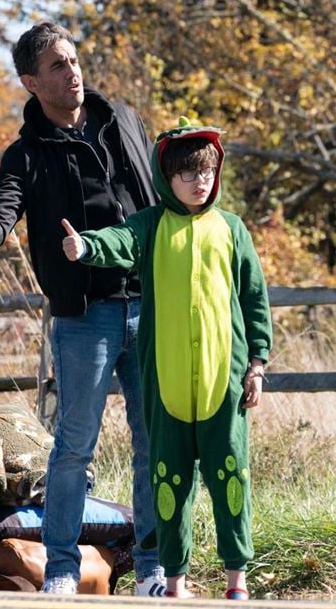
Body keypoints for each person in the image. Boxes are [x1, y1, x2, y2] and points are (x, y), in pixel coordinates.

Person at [0, 22, 166, 596]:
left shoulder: (123, 122)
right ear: (32, 81)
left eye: (75, 60)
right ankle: (59, 569)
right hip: (86, 315)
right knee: (74, 447)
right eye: (57, 65)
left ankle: (155, 569)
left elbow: (163, 200)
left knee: (154, 443)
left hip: (152, 305)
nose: (73, 71)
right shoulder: (26, 153)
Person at [61, 117, 272, 600]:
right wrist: (86, 246)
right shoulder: (151, 226)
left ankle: (236, 581)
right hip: (166, 382)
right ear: (166, 178)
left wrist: (257, 365)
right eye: (187, 174)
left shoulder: (232, 229)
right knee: (169, 483)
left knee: (230, 478)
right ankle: (173, 584)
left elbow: (254, 298)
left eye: (206, 172)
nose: (199, 182)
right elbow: (118, 241)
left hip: (226, 383)